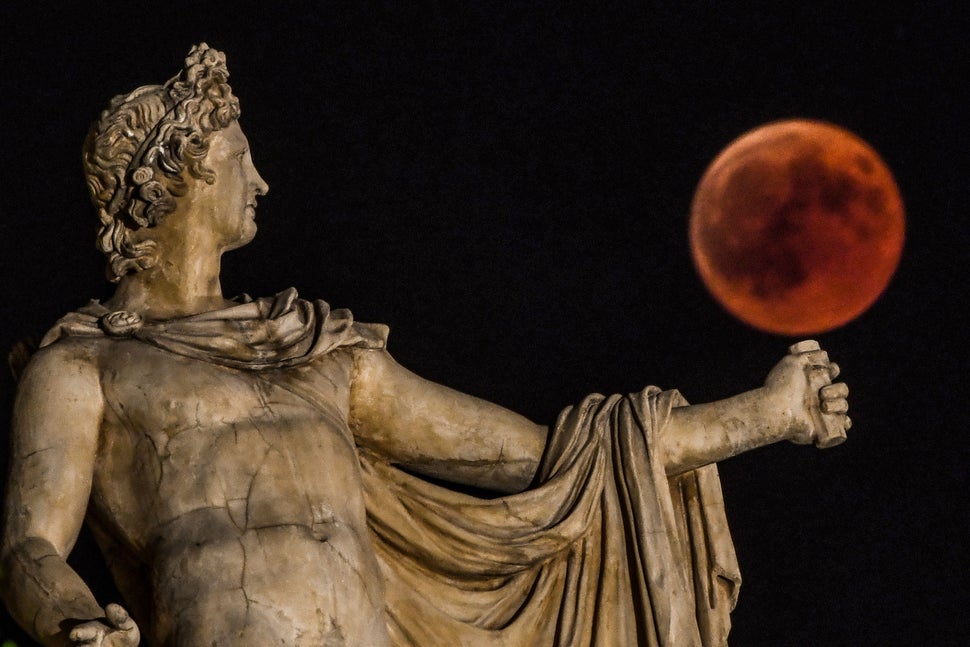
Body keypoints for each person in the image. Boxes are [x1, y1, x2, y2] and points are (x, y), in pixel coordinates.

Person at [0, 44, 849, 647]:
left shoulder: (318, 350)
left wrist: (766, 415)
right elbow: (30, 547)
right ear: (183, 175)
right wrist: (78, 623)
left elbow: (555, 458)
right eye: (239, 158)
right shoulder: (84, 367)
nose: (260, 181)